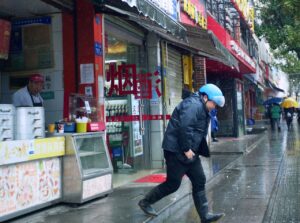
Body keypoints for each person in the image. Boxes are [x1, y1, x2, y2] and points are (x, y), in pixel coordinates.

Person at [138, 84, 225, 223]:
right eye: (213, 103)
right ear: (205, 97)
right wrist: (186, 149)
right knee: (173, 184)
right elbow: (184, 128)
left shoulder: (200, 106)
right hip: (176, 151)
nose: (214, 106)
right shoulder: (193, 105)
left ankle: (205, 216)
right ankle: (145, 202)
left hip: (190, 151)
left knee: (199, 179)